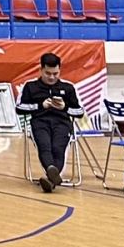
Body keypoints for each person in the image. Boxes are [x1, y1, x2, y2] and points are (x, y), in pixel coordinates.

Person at [18, 53, 80, 191]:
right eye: (48, 73)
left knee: (58, 148)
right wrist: (40, 106)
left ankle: (50, 179)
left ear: (60, 70)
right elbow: (19, 109)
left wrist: (65, 107)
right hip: (40, 122)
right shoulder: (30, 86)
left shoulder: (68, 88)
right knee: (44, 146)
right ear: (41, 70)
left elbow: (79, 112)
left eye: (55, 73)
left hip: (62, 123)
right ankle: (52, 176)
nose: (52, 77)